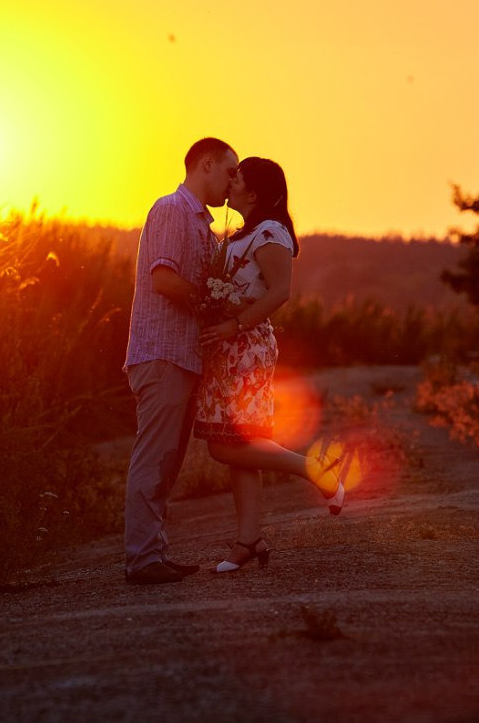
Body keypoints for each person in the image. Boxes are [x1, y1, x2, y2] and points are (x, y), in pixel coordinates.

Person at [194, 156, 348, 574]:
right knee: (240, 446)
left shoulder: (270, 232)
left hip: (246, 346)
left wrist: (234, 324)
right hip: (227, 347)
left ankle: (313, 470)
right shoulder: (241, 234)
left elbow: (281, 291)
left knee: (226, 444)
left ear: (254, 192)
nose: (230, 182)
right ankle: (248, 541)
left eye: (237, 177)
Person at [122, 137, 240, 585]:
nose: (233, 182)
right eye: (229, 171)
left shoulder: (202, 227)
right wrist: (209, 296)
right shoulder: (171, 210)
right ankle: (141, 560)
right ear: (205, 165)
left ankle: (152, 553)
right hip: (162, 352)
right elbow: (164, 279)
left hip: (182, 356)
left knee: (167, 462)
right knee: (154, 457)